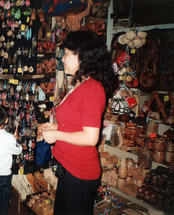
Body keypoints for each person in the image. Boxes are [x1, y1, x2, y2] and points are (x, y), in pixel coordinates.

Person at [40, 31, 118, 215]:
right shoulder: (81, 85)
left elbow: (91, 138)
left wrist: (57, 134)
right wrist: (57, 127)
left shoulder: (91, 88)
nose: (63, 59)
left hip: (79, 173)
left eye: (67, 53)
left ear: (82, 57)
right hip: (68, 169)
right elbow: (78, 125)